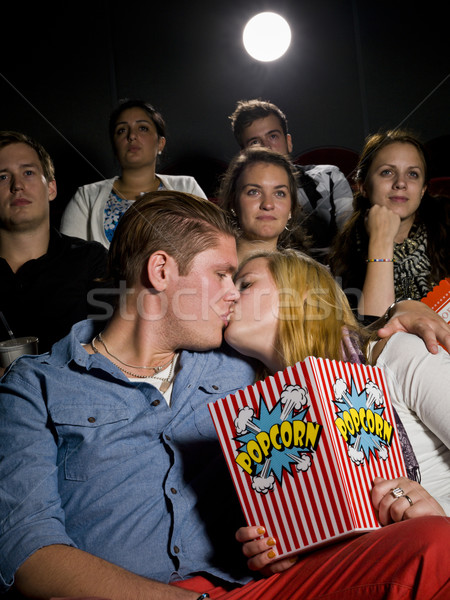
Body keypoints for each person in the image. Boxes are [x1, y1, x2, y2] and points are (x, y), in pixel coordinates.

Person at [0, 191, 449, 600]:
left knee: (434, 542)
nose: (232, 294)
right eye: (222, 274)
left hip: (258, 590)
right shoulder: (36, 385)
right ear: (160, 271)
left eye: (240, 280)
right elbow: (27, 550)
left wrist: (403, 311)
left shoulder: (243, 364)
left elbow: (325, 340)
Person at [224, 249, 450, 518]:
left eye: (246, 284)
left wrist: (438, 516)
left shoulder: (398, 354)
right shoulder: (264, 421)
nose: (228, 295)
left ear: (302, 293)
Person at [0, 130, 109, 357]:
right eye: (2, 177)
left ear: (51, 188)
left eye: (28, 172)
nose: (17, 185)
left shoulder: (91, 259)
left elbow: (113, 349)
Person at [329, 129, 450, 321]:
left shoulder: (446, 222)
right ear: (363, 187)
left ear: (423, 189)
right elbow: (372, 332)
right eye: (387, 172)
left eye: (413, 174)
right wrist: (380, 242)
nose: (401, 183)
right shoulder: (345, 253)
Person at [60, 99, 208, 248]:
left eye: (143, 128)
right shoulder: (86, 197)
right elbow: (71, 262)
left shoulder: (187, 187)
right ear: (114, 146)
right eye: (121, 130)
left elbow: (209, 244)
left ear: (160, 143)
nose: (131, 136)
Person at [228, 99, 353, 260]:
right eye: (255, 142)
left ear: (288, 142)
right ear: (244, 154)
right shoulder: (239, 195)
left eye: (273, 136)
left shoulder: (327, 177)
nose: (267, 147)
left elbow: (350, 237)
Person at [217, 146, 310, 264]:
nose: (268, 204)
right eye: (254, 192)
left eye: (279, 193)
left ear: (291, 208)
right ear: (233, 203)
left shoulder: (310, 277)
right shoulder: (205, 268)